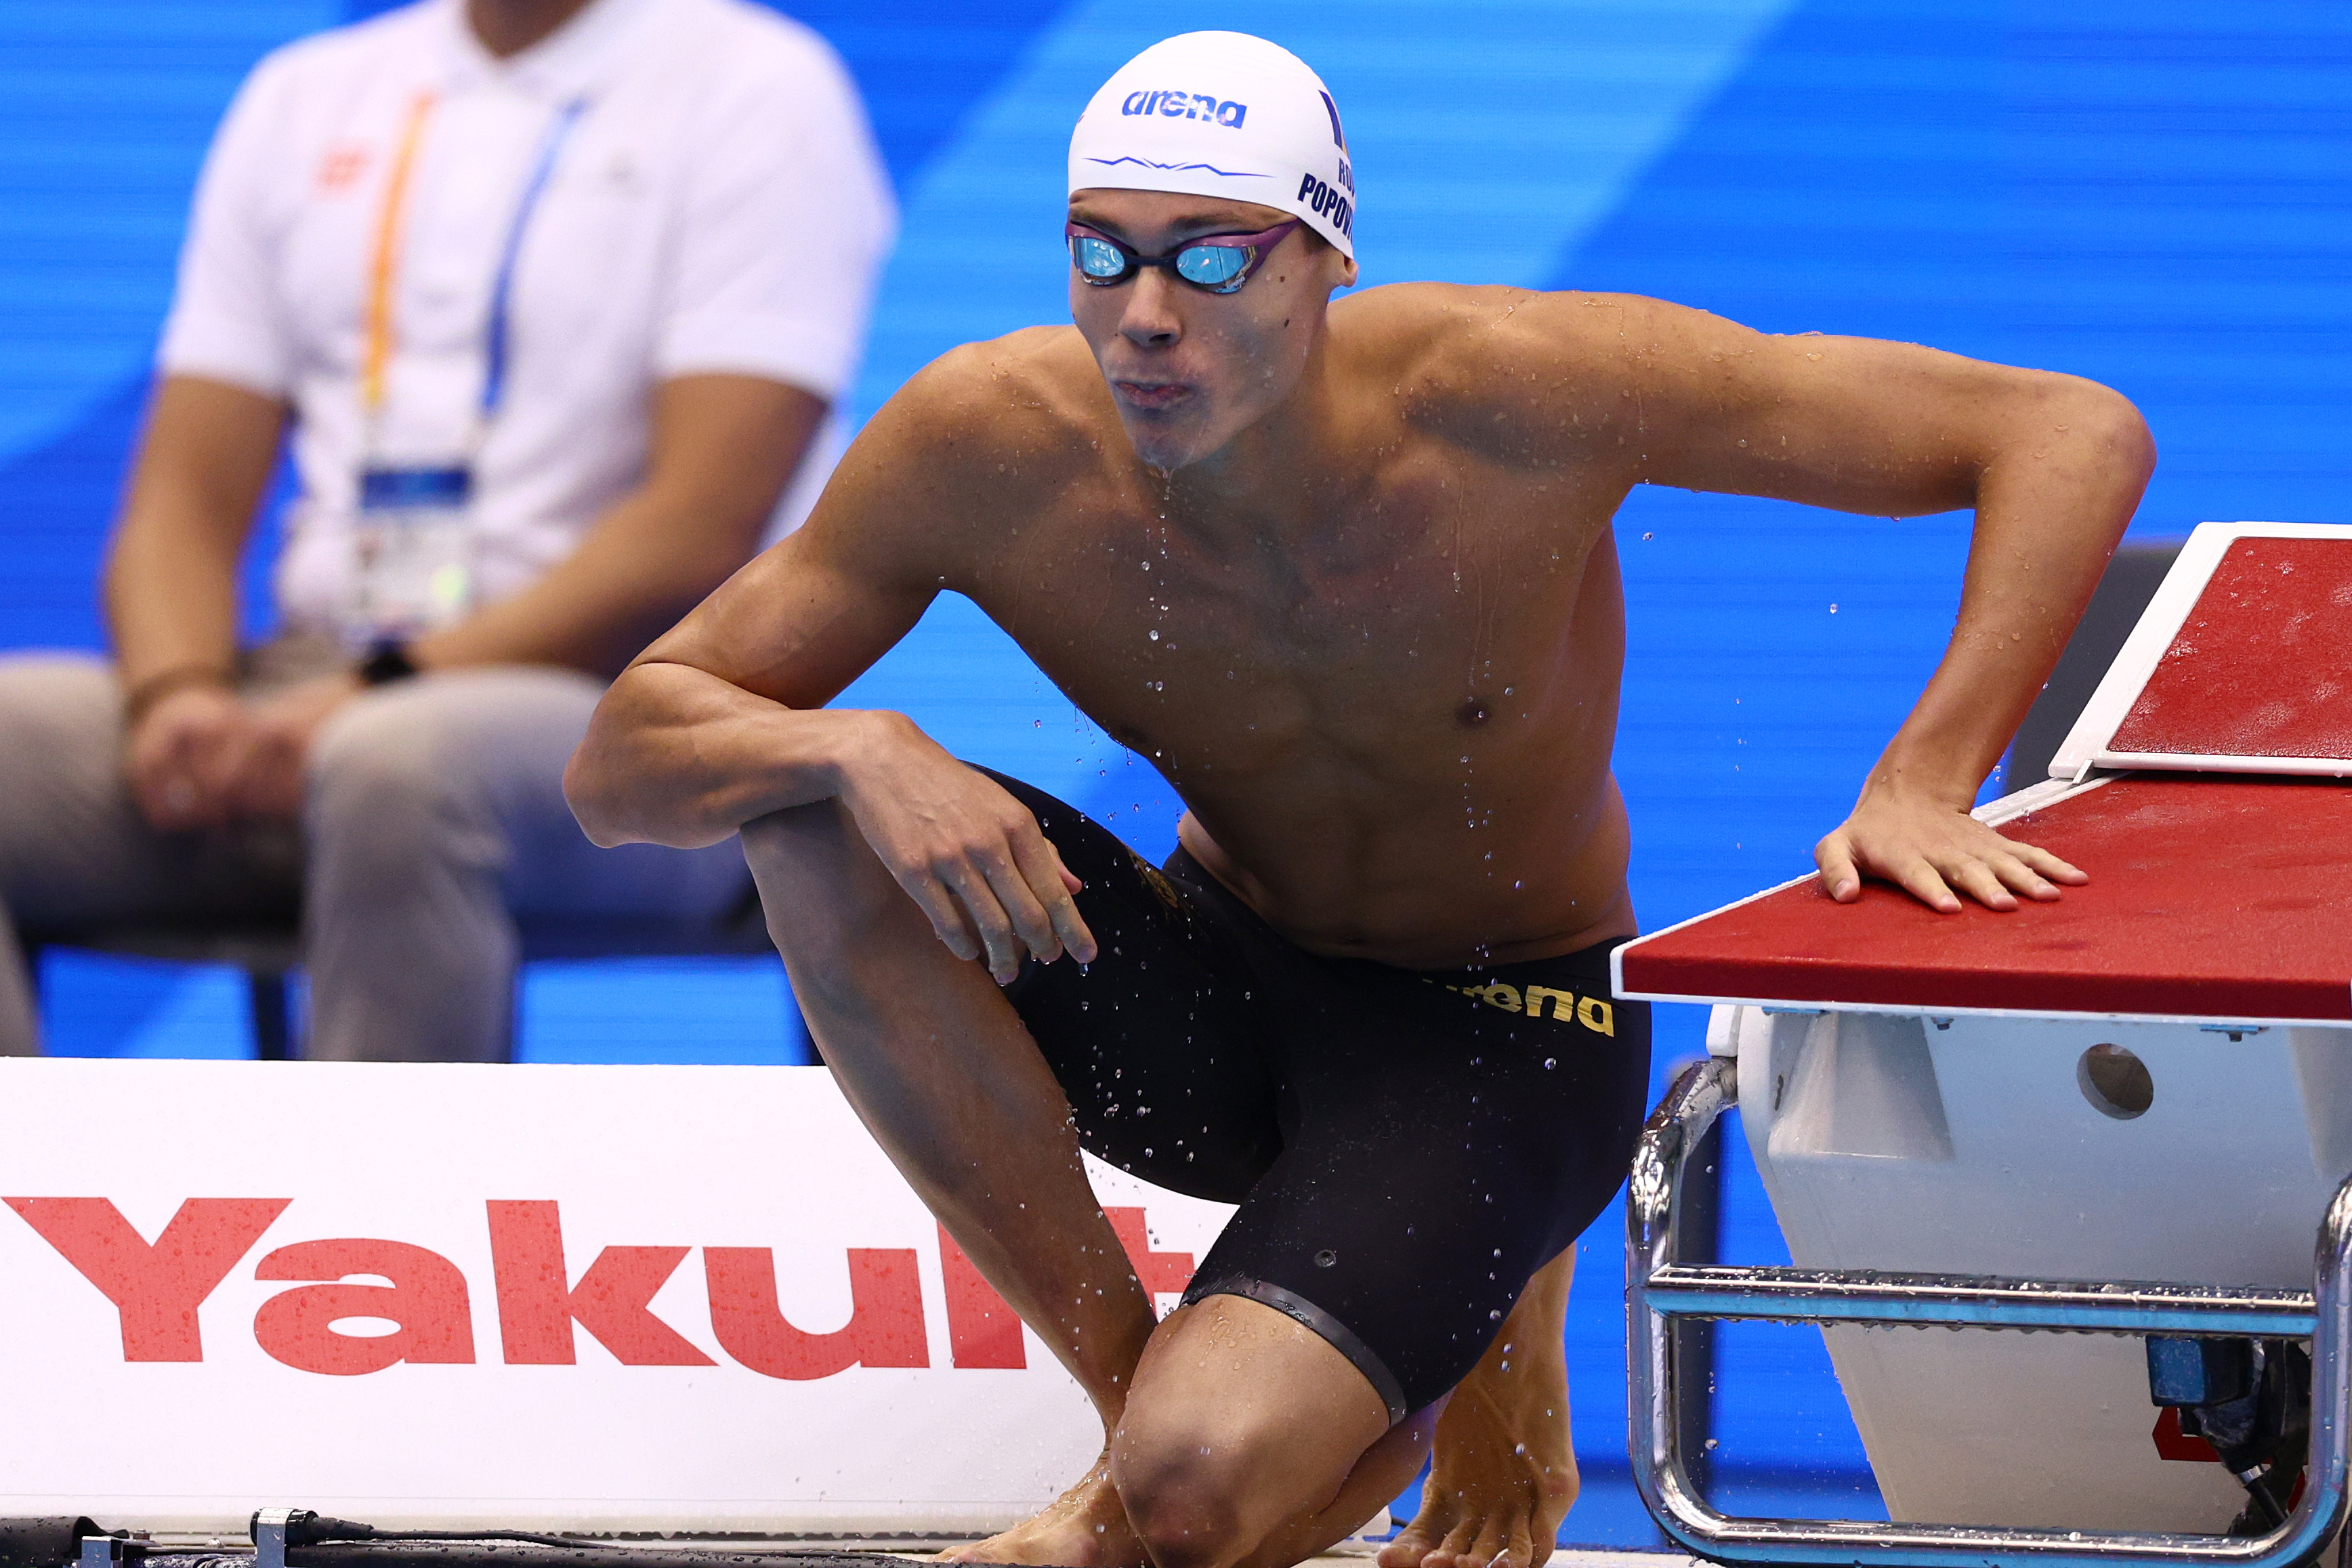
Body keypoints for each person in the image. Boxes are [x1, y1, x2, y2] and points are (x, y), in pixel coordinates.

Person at [566, 29, 2153, 1568]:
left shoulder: (1524, 390)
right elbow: (623, 756)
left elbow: (2064, 431)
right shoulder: (986, 446)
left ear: (1326, 264)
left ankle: (1328, 1388)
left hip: (1502, 1030)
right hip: (1221, 990)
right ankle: (1136, 1414)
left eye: (1208, 260)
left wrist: (1923, 776)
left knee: (1203, 1504)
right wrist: (855, 744)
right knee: (803, 807)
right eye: (1099, 255)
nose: (1141, 317)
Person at [0, 0, 893, 1059]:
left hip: (647, 713)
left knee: (399, 765)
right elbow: (180, 503)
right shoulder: (307, 94)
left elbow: (699, 529)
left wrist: (376, 692)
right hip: (309, 686)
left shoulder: (758, 88)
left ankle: (366, 1222)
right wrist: (178, 693)